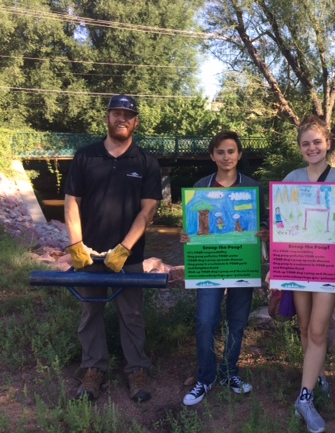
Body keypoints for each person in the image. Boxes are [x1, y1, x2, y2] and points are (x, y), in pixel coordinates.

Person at [64, 94, 162, 402]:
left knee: (131, 314)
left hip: (128, 256)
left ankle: (136, 369)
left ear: (136, 122)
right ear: (107, 117)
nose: (122, 118)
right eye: (116, 112)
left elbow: (148, 210)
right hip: (89, 254)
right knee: (90, 312)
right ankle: (93, 369)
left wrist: (124, 248)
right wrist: (75, 245)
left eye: (128, 114)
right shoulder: (85, 157)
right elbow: (71, 203)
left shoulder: (146, 162)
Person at [284, 115, 335, 433]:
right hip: (299, 263)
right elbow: (283, 222)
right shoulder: (291, 178)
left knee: (317, 330)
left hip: (329, 265)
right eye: (305, 143)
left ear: (328, 143)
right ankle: (317, 374)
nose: (311, 147)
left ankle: (305, 397)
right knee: (304, 327)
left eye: (317, 141)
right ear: (300, 148)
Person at [182, 131, 269, 406]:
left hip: (242, 263)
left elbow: (264, 222)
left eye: (231, 151)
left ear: (239, 154)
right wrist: (186, 236)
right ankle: (205, 377)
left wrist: (264, 232)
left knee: (238, 321)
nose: (226, 157)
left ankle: (230, 372)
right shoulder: (200, 187)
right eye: (220, 152)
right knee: (205, 319)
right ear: (212, 156)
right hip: (210, 265)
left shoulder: (253, 188)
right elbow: (191, 227)